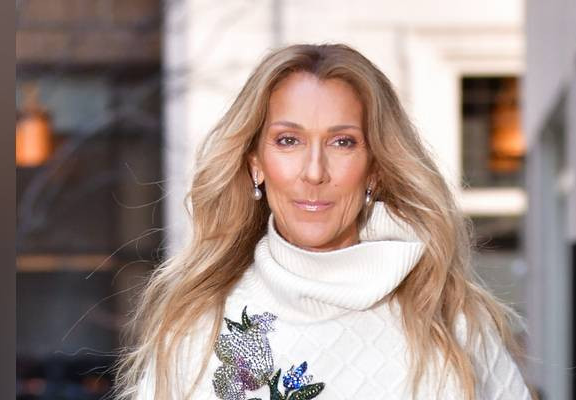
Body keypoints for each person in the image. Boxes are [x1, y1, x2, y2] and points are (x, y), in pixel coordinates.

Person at [114, 43, 534, 400]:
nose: (314, 171)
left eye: (342, 142)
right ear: (256, 163)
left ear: (375, 169)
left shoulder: (451, 322)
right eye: (288, 141)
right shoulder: (198, 328)